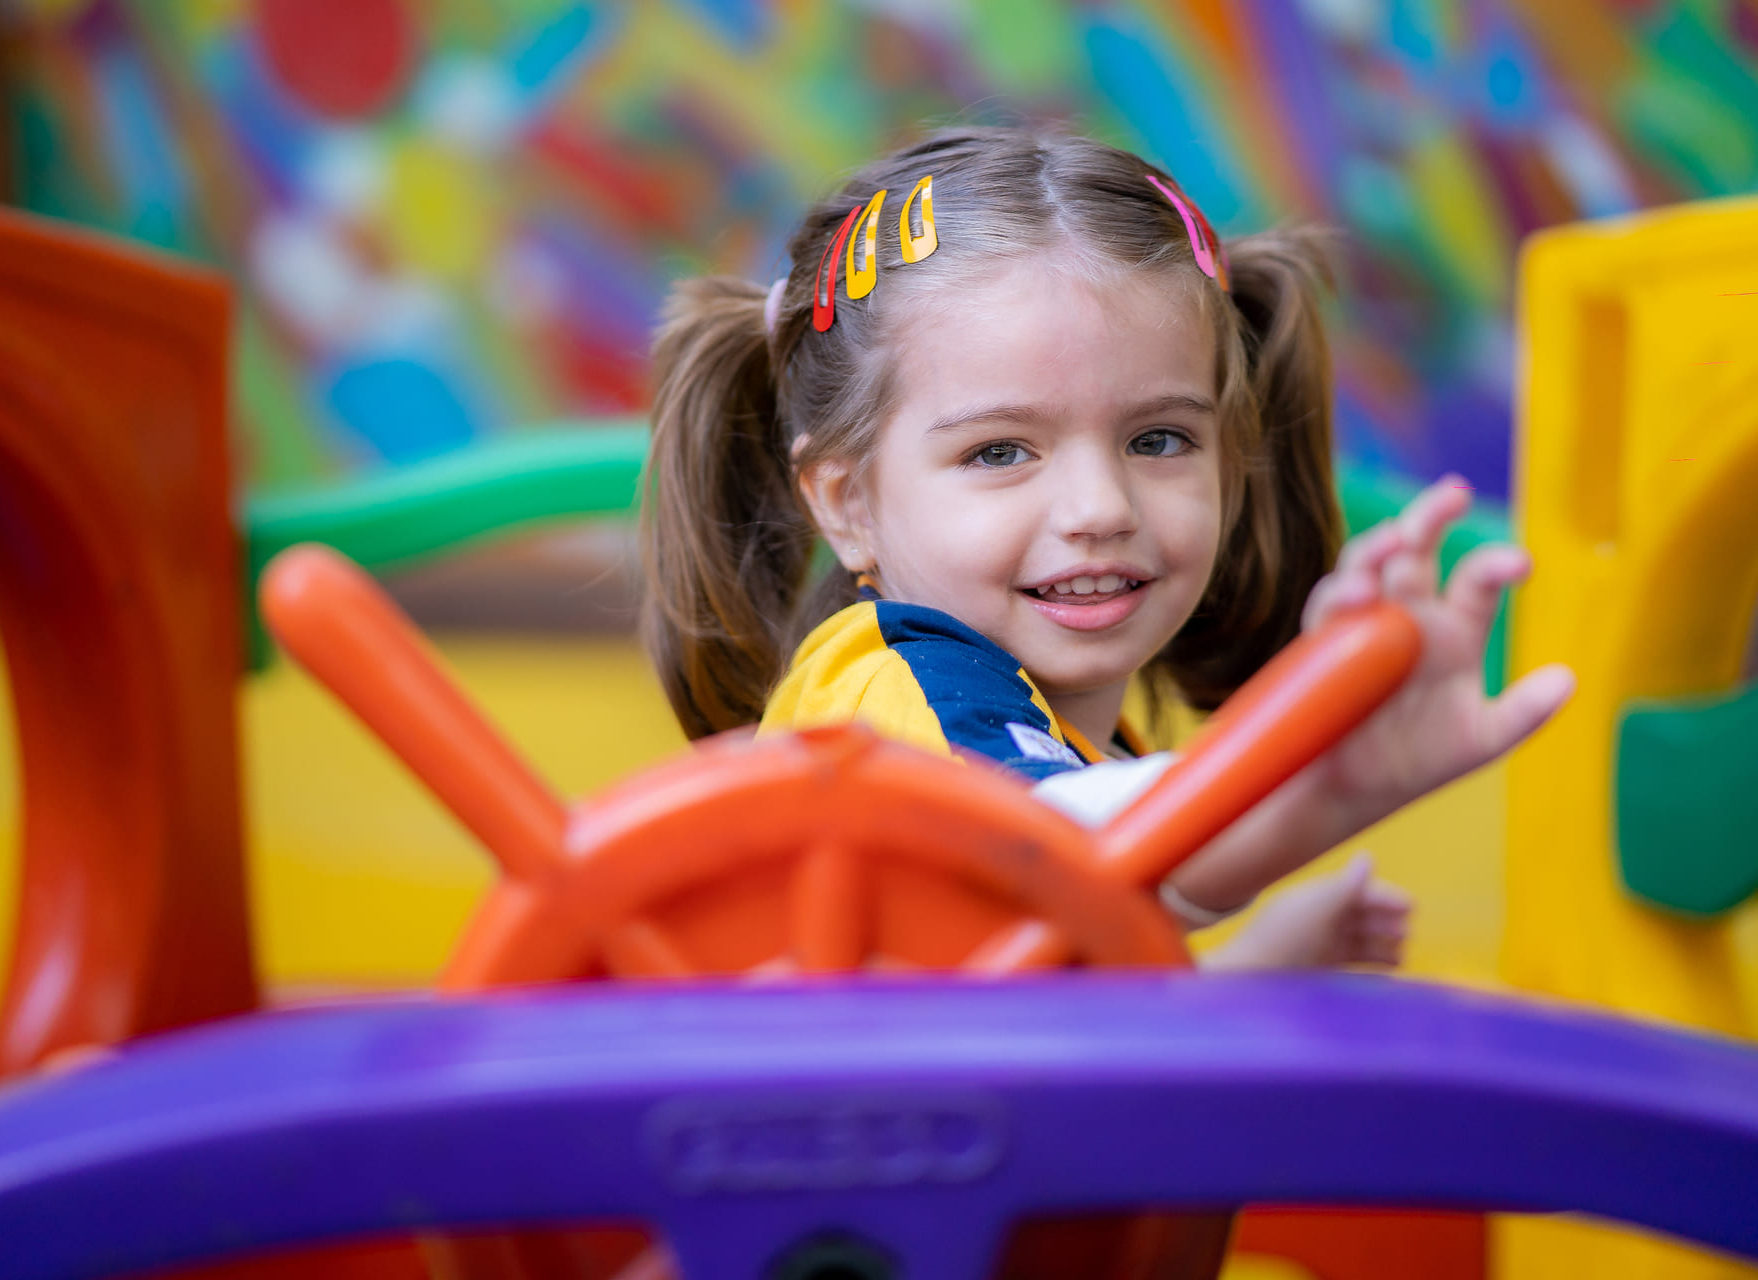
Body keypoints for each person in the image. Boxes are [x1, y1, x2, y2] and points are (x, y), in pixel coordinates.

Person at [638, 127, 1574, 969]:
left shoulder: (1061, 729)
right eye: (999, 451)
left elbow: (1039, 994)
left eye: (1158, 439)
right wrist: (1319, 773)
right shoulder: (894, 692)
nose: (1098, 506)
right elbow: (1061, 855)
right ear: (847, 507)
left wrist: (1251, 976)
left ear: (1231, 458)